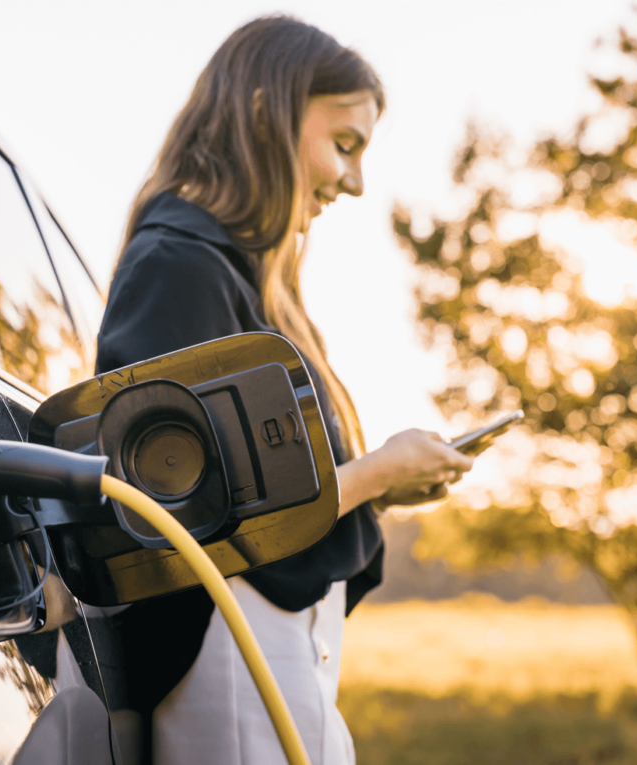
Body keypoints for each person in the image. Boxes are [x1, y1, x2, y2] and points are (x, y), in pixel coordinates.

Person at [95, 16, 475, 765]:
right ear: (268, 110)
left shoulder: (246, 280)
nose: (355, 181)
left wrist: (379, 489)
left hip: (270, 652)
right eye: (344, 144)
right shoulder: (179, 267)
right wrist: (377, 473)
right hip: (227, 656)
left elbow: (259, 483)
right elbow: (185, 517)